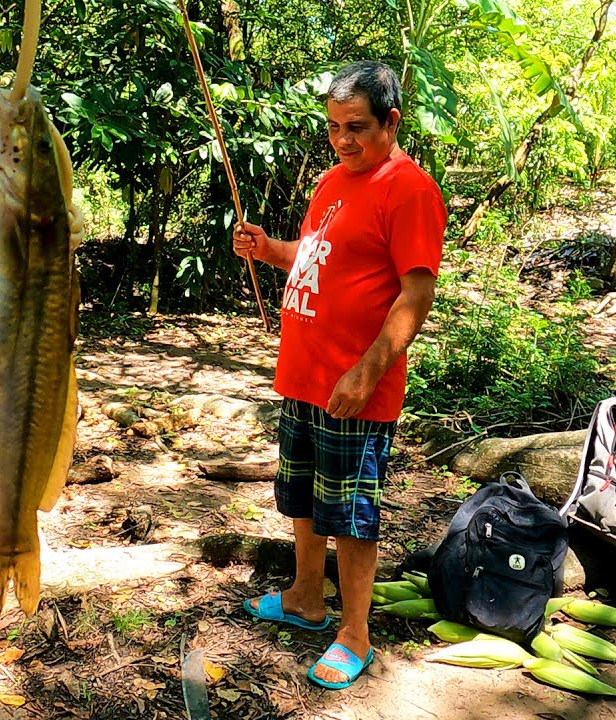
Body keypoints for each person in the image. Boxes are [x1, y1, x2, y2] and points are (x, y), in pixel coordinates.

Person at [234, 60, 447, 690]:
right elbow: (315, 252)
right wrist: (270, 249)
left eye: (356, 126)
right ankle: (305, 595)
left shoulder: (408, 189)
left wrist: (368, 369)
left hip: (356, 385)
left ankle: (355, 633)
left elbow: (416, 293)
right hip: (304, 374)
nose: (343, 139)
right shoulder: (331, 182)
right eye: (333, 127)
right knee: (301, 496)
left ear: (392, 121)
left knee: (350, 514)